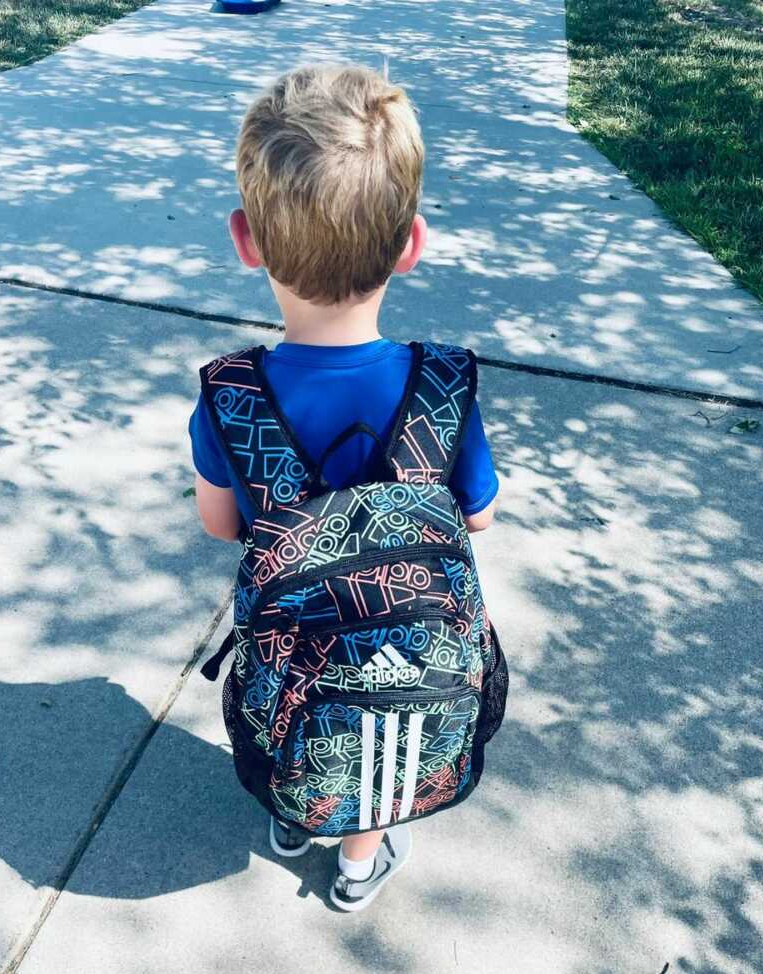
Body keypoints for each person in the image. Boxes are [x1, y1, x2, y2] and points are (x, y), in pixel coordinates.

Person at [188, 62, 499, 910]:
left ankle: (292, 818)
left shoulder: (233, 399)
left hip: (291, 659)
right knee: (384, 736)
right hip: (410, 658)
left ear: (246, 239)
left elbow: (222, 527)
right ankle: (360, 868)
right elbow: (477, 513)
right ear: (412, 243)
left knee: (293, 710)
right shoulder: (442, 390)